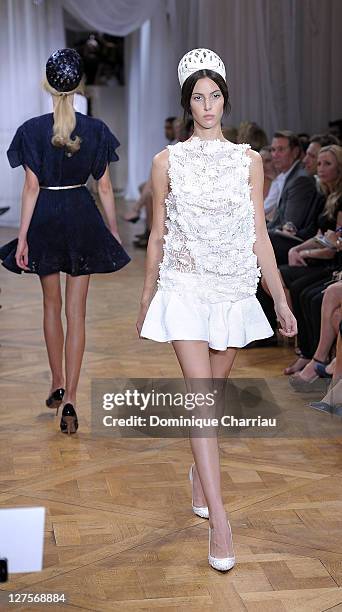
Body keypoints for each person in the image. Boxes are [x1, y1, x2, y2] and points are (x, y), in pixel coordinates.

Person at [136, 48, 297, 572]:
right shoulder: (167, 161)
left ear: (225, 99)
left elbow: (259, 236)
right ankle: (222, 520)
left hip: (231, 289)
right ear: (188, 103)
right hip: (183, 286)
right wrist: (146, 298)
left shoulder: (249, 161)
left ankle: (198, 474)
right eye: (198, 98)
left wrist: (280, 297)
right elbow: (157, 235)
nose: (208, 105)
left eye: (215, 96)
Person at [0, 48, 130, 434]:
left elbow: (30, 187)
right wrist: (113, 229)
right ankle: (71, 394)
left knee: (50, 306)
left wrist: (22, 237)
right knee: (78, 314)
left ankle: (57, 380)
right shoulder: (96, 130)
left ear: (47, 85)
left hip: (46, 217)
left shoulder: (30, 130)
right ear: (78, 86)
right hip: (80, 213)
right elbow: (104, 187)